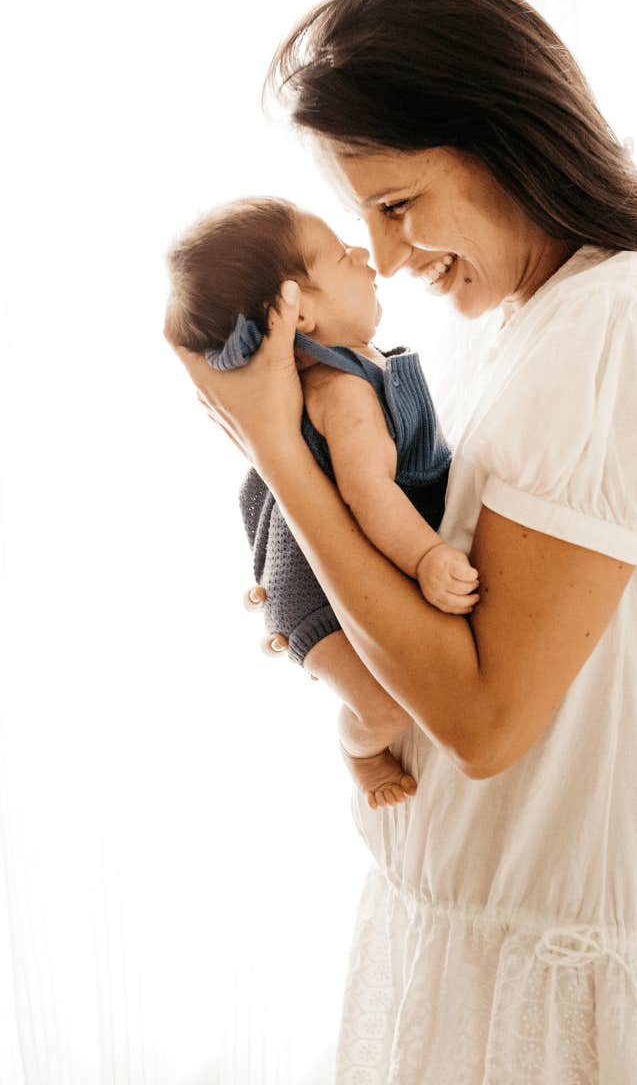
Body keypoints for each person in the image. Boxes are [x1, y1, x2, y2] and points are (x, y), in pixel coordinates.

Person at [167, 0, 637, 1083]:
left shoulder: (621, 326)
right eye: (363, 220)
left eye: (398, 206)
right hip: (493, 958)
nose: (389, 258)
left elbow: (485, 719)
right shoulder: (539, 321)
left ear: (505, 137)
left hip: (567, 996)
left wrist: (272, 452)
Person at [164, 196, 480, 809]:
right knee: (387, 705)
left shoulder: (358, 368)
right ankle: (359, 750)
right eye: (340, 254)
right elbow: (370, 495)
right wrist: (426, 559)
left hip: (338, 556)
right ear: (297, 311)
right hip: (311, 587)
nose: (365, 254)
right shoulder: (341, 392)